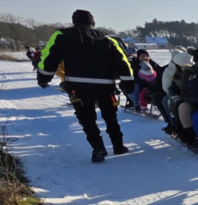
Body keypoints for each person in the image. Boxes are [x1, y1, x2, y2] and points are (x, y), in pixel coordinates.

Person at [36, 10, 133, 162]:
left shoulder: (62, 36)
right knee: (110, 116)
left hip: (77, 86)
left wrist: (44, 77)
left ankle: (98, 149)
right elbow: (123, 62)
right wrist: (128, 82)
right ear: (92, 22)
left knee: (87, 119)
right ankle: (118, 146)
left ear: (74, 21)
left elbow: (49, 57)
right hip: (105, 86)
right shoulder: (107, 40)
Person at [161, 46, 194, 137]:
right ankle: (172, 123)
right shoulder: (169, 71)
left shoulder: (195, 70)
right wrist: (175, 94)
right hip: (176, 93)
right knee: (166, 101)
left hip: (191, 94)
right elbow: (167, 87)